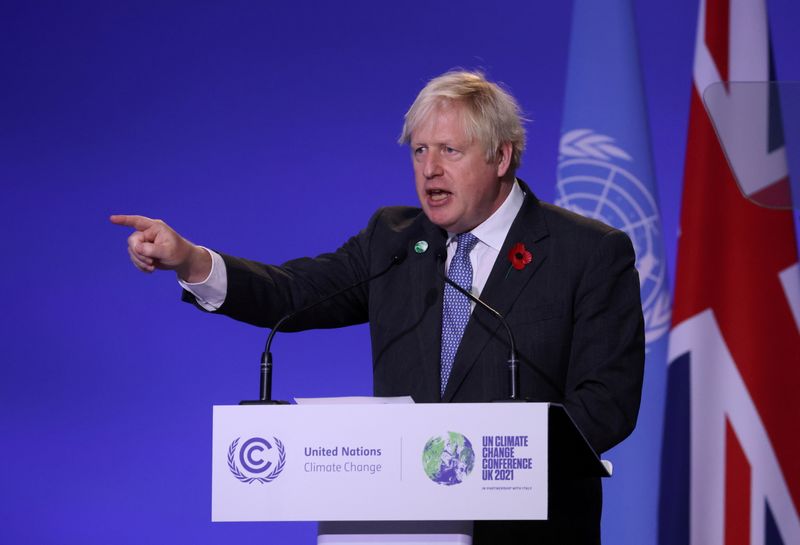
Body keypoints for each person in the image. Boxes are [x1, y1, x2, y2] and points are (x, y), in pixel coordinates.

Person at [112, 70, 644, 544]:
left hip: (528, 531)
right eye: (419, 151)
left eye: (449, 151)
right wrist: (191, 262)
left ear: (501, 156)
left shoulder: (587, 252)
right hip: (402, 527)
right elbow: (294, 292)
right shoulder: (393, 242)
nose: (430, 170)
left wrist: (495, 460)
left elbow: (607, 404)